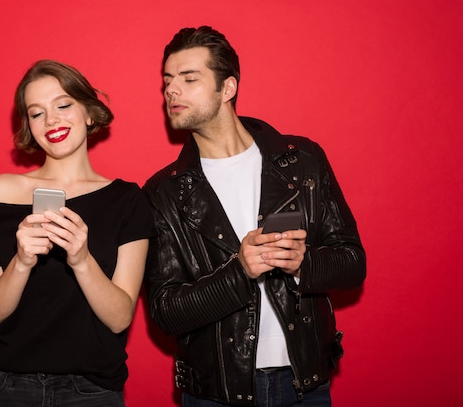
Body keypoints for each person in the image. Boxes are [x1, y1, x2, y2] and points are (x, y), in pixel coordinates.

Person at [143, 26, 366, 407]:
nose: (171, 90)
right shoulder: (164, 192)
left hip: (305, 387)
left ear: (227, 88)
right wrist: (239, 272)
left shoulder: (303, 161)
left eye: (188, 78)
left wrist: (302, 264)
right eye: (167, 80)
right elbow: (165, 311)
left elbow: (352, 263)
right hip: (216, 394)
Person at [0, 59, 154, 406]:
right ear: (29, 125)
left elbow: (119, 318)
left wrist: (82, 260)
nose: (51, 120)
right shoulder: (0, 192)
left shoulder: (127, 200)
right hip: (6, 386)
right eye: (36, 113)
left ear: (88, 112)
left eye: (63, 105)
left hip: (91, 390)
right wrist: (22, 261)